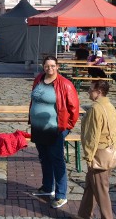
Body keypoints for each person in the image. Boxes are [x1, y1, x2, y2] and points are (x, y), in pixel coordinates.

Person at [29, 55, 80, 209]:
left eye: (52, 66)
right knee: (44, 158)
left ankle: (61, 194)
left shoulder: (65, 84)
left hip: (56, 129)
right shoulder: (38, 79)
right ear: (43, 66)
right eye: (47, 66)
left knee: (57, 161)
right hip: (39, 128)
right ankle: (47, 187)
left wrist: (66, 128)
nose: (49, 68)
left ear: (57, 66)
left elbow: (74, 108)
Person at [77, 79, 116, 219]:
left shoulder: (96, 109)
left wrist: (89, 156)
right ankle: (84, 215)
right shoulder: (110, 106)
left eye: (91, 89)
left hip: (99, 154)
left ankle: (107, 218)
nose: (89, 91)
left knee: (101, 191)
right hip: (108, 152)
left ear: (99, 92)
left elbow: (92, 135)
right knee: (91, 186)